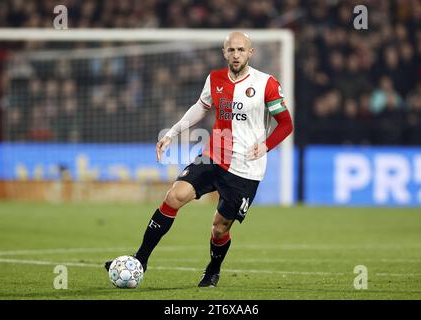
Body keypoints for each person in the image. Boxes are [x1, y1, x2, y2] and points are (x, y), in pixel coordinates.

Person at [105, 31, 294, 287]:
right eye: (231, 50)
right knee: (173, 196)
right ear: (224, 52)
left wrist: (265, 146)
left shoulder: (266, 84)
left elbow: (285, 124)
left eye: (241, 50)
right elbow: (200, 107)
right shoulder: (215, 79)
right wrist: (172, 133)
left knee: (219, 228)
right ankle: (140, 260)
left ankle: (212, 270)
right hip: (213, 156)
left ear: (251, 53)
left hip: (245, 169)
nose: (236, 55)